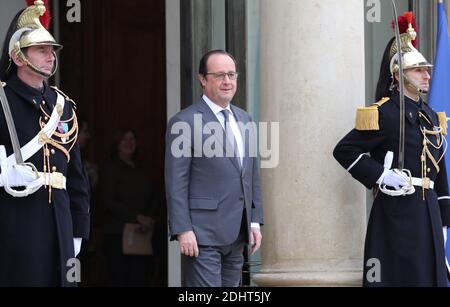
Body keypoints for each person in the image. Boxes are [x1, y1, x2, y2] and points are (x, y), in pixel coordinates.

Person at [333, 12, 450, 286]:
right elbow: (345, 150)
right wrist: (381, 176)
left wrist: (445, 217)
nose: (426, 75)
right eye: (418, 70)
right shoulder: (385, 113)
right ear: (399, 74)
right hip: (398, 207)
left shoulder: (431, 115)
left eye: (427, 70)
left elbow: (439, 166)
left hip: (428, 210)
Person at [0, 1, 90, 286]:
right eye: (41, 50)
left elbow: (76, 176)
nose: (50, 56)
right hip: (15, 221)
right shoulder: (3, 102)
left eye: (51, 50)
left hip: (60, 222)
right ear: (18, 56)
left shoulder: (62, 106)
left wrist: (77, 230)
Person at [165, 50, 264, 287]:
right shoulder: (184, 121)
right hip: (202, 234)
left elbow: (251, 175)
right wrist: (182, 229)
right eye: (219, 75)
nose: (227, 81)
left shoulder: (245, 119)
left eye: (231, 74)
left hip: (238, 232)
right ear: (203, 79)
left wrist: (254, 220)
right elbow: (175, 182)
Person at [100, 129, 157, 286]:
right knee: (120, 278)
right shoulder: (110, 169)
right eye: (124, 140)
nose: (129, 143)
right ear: (117, 144)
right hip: (117, 234)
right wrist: (137, 217)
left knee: (139, 277)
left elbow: (153, 196)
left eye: (132, 139)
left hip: (141, 233)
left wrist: (149, 219)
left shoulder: (141, 169)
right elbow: (109, 202)